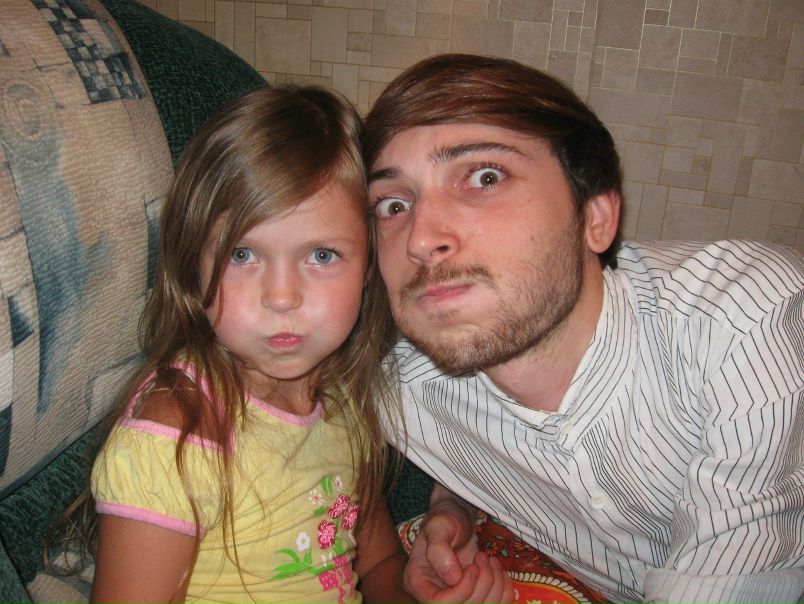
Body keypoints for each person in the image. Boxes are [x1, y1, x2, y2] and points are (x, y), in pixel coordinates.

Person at [362, 53, 804, 604]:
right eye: (393, 204)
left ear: (595, 217)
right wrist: (452, 507)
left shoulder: (741, 319)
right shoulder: (399, 396)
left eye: (484, 177)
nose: (421, 238)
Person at [86, 85, 414, 603]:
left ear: (369, 269)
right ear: (194, 266)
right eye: (242, 254)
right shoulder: (175, 435)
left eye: (322, 256)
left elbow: (379, 563)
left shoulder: (345, 405)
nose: (281, 297)